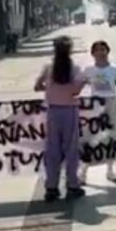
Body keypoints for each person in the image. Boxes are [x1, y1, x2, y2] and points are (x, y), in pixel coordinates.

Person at [35, 36, 86, 202]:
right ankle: (72, 185)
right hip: (70, 111)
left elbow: (37, 86)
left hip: (52, 112)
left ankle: (51, 187)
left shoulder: (48, 68)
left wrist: (49, 88)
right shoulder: (75, 68)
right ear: (70, 50)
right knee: (71, 150)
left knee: (52, 150)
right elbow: (76, 91)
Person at [79, 40, 116, 184]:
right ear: (92, 53)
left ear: (107, 51)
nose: (100, 52)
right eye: (97, 50)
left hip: (111, 105)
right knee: (90, 141)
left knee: (110, 139)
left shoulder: (115, 70)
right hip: (94, 107)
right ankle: (83, 173)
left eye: (103, 49)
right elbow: (77, 87)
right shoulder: (89, 70)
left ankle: (110, 171)